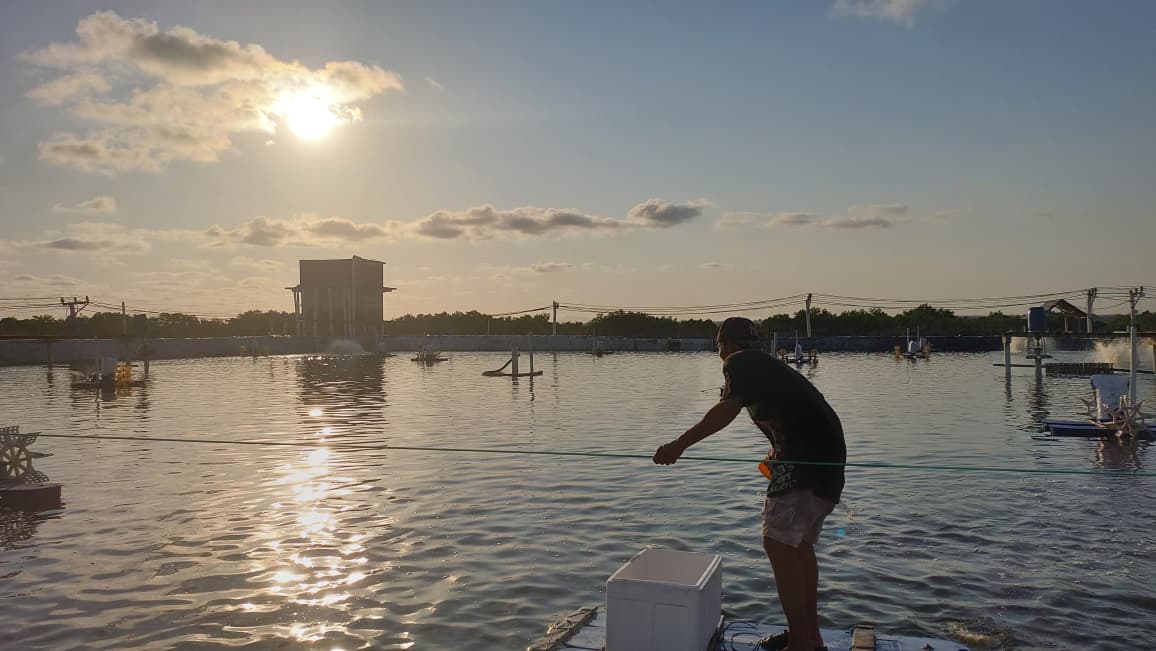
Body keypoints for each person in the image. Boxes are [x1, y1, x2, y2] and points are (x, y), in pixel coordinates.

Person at [653, 317, 846, 651]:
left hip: (805, 462)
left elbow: (725, 411)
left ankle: (802, 642)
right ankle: (809, 638)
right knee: (797, 546)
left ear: (724, 342)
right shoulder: (766, 366)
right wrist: (775, 452)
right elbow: (796, 412)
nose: (719, 351)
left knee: (778, 542)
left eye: (717, 344)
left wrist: (678, 445)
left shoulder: (738, 362)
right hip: (828, 461)